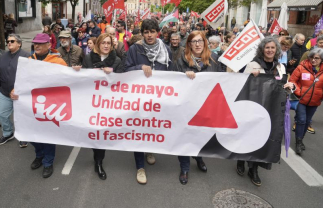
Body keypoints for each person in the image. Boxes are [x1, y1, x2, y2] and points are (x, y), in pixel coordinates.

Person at [125, 18, 173, 184]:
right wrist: (139, 68)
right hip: (138, 100)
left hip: (158, 100)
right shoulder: (135, 49)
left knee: (152, 129)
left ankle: (149, 151)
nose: (150, 35)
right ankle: (140, 167)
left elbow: (171, 74)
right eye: (146, 32)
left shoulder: (166, 50)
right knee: (138, 131)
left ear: (157, 32)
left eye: (152, 32)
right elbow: (126, 70)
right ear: (142, 33)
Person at [238, 37, 287, 186]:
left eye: (272, 47)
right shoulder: (252, 65)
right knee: (247, 137)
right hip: (253, 107)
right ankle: (240, 160)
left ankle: (254, 169)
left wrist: (289, 86)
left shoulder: (280, 67)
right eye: (267, 48)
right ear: (262, 49)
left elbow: (281, 86)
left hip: (270, 110)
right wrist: (250, 76)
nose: (270, 50)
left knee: (261, 140)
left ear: (276, 49)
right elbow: (241, 84)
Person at [173, 31, 221, 185]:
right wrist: (183, 75)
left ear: (205, 43)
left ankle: (199, 157)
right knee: (184, 137)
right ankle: (185, 167)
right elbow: (172, 83)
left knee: (200, 137)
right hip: (186, 107)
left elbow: (222, 82)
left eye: (200, 41)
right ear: (189, 44)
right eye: (194, 41)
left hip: (205, 107)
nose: (198, 44)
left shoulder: (214, 61)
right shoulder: (181, 61)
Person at [75, 33, 123, 180]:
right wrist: (77, 71)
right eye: (103, 43)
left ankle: (98, 161)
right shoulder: (89, 58)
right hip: (91, 101)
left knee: (101, 133)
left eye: (109, 43)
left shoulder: (116, 60)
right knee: (93, 131)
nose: (106, 46)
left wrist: (113, 74)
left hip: (108, 103)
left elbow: (123, 82)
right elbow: (83, 77)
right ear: (98, 44)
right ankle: (97, 155)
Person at [27, 33, 67, 178]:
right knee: (30, 133)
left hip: (51, 105)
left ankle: (48, 162)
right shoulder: (29, 61)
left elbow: (67, 83)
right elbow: (22, 80)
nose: (36, 46)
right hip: (32, 103)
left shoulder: (59, 62)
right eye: (35, 43)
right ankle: (40, 154)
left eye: (40, 43)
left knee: (48, 135)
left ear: (49, 45)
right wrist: (14, 91)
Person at [287, 48, 323, 155]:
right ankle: (298, 142)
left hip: (315, 101)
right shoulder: (301, 67)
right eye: (312, 57)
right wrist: (299, 91)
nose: (313, 60)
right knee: (301, 120)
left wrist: (322, 95)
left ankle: (301, 139)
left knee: (307, 121)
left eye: (317, 58)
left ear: (322, 60)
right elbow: (292, 81)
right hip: (301, 100)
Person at [0, 34, 30, 147]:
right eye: (8, 41)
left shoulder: (27, 57)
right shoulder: (2, 57)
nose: (9, 43)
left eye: (12, 41)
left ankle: (23, 135)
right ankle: (8, 133)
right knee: (1, 114)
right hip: (4, 92)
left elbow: (30, 77)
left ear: (19, 43)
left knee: (21, 117)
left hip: (20, 94)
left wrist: (21, 90)